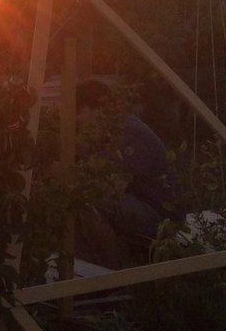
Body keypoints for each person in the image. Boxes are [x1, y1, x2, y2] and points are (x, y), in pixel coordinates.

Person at [73, 78, 183, 267]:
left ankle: (115, 275)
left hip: (161, 214)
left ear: (97, 108)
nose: (76, 120)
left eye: (79, 112)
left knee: (93, 202)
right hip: (139, 203)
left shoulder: (129, 132)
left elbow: (114, 188)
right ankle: (96, 266)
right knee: (78, 202)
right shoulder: (107, 132)